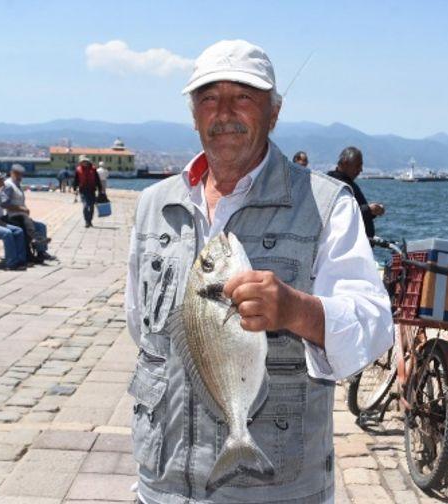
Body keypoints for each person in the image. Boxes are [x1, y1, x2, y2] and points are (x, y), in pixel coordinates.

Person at [124, 39, 393, 504]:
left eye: (244, 97)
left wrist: (296, 310)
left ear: (274, 112)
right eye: (209, 98)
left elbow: (373, 327)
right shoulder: (155, 204)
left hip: (278, 490)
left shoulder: (328, 205)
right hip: (162, 485)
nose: (224, 112)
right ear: (193, 114)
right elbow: (140, 327)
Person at [327, 146, 386, 240]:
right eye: (357, 166)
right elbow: (343, 214)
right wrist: (369, 210)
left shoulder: (346, 182)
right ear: (345, 164)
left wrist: (372, 211)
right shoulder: (336, 184)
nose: (361, 170)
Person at [2, 163, 54, 262]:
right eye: (17, 174)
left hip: (22, 215)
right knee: (26, 227)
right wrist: (20, 209)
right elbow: (4, 204)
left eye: (21, 174)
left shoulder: (18, 185)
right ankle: (33, 245)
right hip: (13, 216)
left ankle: (41, 251)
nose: (19, 177)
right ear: (11, 173)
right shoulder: (8, 186)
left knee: (41, 226)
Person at [73, 155, 103, 228]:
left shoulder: (93, 169)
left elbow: (97, 180)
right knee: (85, 206)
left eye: (85, 161)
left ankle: (90, 220)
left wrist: (100, 189)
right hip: (83, 190)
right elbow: (76, 180)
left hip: (92, 190)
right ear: (81, 162)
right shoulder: (78, 169)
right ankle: (86, 221)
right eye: (83, 162)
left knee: (91, 206)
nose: (84, 163)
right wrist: (74, 188)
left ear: (88, 161)